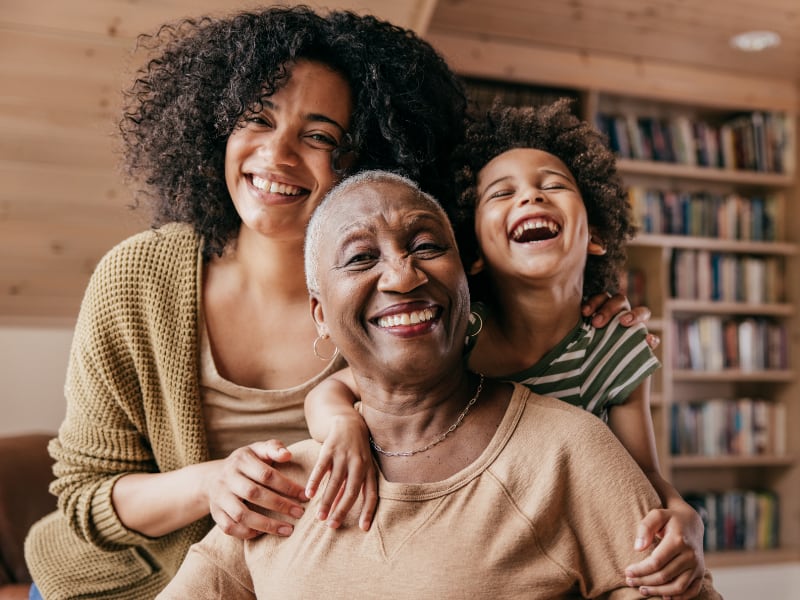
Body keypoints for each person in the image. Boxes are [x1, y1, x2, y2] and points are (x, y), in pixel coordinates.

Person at [23, 7, 646, 599]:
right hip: (117, 583)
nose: (277, 154)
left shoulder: (411, 300)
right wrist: (213, 483)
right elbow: (84, 498)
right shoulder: (139, 278)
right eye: (258, 119)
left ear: (365, 156)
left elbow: (545, 351)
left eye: (319, 135)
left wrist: (604, 318)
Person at [157, 170, 720, 599]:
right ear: (320, 315)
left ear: (467, 281)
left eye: (428, 246)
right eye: (360, 257)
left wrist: (682, 517)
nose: (403, 275)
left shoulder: (566, 451)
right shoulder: (275, 490)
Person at [304, 100, 704, 599]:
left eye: (553, 185)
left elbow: (642, 474)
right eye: (502, 193)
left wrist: (686, 518)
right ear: (470, 254)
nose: (532, 197)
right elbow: (335, 391)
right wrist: (342, 425)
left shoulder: (616, 346)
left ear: (595, 232)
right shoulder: (456, 334)